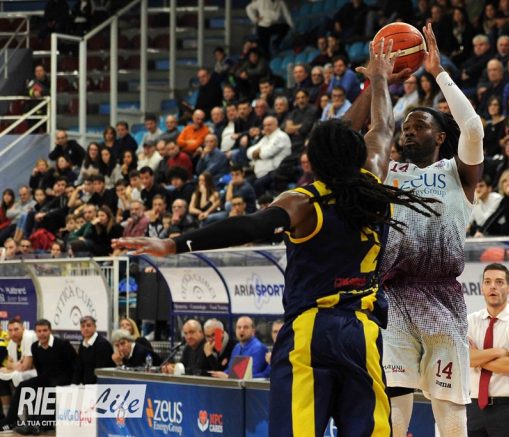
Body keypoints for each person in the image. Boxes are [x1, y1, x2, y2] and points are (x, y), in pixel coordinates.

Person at [113, 38, 436, 436]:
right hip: (362, 332)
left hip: (311, 331)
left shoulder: (303, 203)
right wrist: (380, 81)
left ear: (313, 161)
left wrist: (174, 243)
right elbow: (382, 128)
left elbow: (247, 226)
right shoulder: (373, 181)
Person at [343, 23, 483, 436]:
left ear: (439, 136)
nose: (407, 130)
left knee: (449, 410)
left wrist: (438, 73)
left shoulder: (457, 172)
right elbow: (346, 140)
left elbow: (473, 128)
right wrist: (377, 83)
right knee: (392, 408)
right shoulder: (386, 171)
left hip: (443, 299)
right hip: (394, 297)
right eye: (404, 126)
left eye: (417, 125)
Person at [467, 263, 509, 437]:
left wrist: (478, 359)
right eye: (487, 282)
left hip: (505, 409)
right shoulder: (470, 321)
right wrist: (497, 352)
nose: (493, 286)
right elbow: (464, 359)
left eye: (499, 282)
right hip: (472, 407)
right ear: (482, 288)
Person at [72, 316, 114, 384]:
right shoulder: (83, 344)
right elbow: (79, 367)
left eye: (88, 325)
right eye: (83, 326)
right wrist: (74, 384)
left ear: (95, 327)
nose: (85, 328)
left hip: (100, 384)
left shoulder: (102, 344)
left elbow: (101, 370)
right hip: (86, 385)